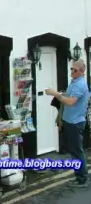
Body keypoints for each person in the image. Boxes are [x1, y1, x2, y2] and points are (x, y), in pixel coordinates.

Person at [46, 59, 90, 187]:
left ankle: (82, 179)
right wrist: (61, 94)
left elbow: (70, 102)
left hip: (75, 123)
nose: (72, 71)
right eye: (71, 69)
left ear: (81, 72)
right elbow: (69, 96)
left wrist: (55, 94)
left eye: (74, 70)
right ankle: (79, 176)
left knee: (77, 151)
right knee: (74, 151)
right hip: (70, 121)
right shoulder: (74, 82)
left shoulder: (80, 85)